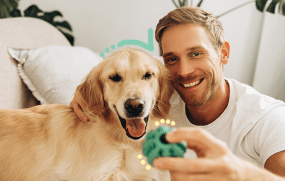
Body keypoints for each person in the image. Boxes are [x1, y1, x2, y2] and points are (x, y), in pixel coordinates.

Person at [71, 6, 285, 180]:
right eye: (172, 59)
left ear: (224, 54)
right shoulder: (160, 100)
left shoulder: (268, 120)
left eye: (196, 53)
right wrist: (85, 95)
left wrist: (240, 172)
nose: (184, 71)